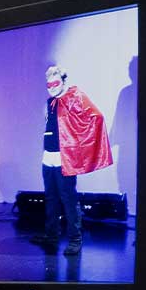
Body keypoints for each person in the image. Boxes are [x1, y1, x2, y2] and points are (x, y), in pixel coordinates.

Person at [39, 63, 112, 255]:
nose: (52, 87)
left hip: (65, 159)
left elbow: (97, 116)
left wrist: (78, 144)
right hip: (48, 157)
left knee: (69, 199)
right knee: (51, 198)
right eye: (48, 84)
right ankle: (51, 235)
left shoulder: (74, 96)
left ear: (63, 81)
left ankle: (75, 239)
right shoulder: (50, 102)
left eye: (55, 82)